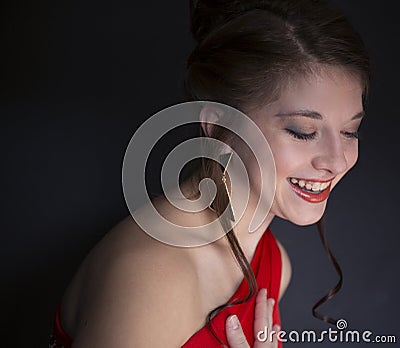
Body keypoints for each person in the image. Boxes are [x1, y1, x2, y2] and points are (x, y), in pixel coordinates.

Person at [49, 0, 371, 347]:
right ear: (218, 126)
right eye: (303, 131)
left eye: (350, 132)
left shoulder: (274, 263)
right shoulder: (153, 276)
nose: (336, 161)